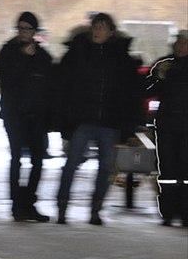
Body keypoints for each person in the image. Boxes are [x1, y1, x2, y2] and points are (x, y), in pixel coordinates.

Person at [55, 13, 141, 226]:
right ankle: (62, 207)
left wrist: (128, 127)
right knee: (71, 164)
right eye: (95, 26)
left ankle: (95, 210)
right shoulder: (78, 54)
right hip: (82, 120)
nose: (97, 30)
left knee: (106, 168)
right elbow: (63, 87)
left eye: (102, 27)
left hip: (109, 122)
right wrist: (65, 121)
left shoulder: (121, 59)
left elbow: (130, 95)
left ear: (111, 31)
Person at [0, 12, 52, 222]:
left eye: (27, 29)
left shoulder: (43, 57)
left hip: (37, 116)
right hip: (14, 115)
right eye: (20, 28)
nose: (23, 32)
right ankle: (16, 205)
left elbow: (49, 87)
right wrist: (23, 57)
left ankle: (29, 202)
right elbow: (7, 81)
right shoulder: (7, 51)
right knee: (16, 159)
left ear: (35, 32)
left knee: (38, 161)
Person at [146, 29, 188, 227]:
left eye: (184, 43)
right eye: (178, 42)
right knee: (168, 172)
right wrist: (157, 76)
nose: (180, 46)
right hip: (167, 127)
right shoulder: (165, 65)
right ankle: (169, 213)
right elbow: (145, 88)